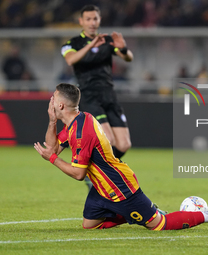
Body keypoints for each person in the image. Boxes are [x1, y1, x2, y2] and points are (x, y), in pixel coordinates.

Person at [34, 83, 208, 231]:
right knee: (89, 226)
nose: (50, 100)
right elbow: (52, 146)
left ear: (61, 105)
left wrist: (52, 159)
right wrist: (52, 121)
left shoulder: (81, 131)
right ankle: (135, 214)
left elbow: (78, 173)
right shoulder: (77, 121)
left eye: (53, 97)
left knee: (159, 224)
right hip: (101, 188)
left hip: (120, 187)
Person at [61, 5, 133, 189]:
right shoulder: (72, 43)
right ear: (81, 21)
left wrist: (123, 49)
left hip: (109, 95)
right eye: (88, 19)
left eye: (95, 19)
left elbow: (128, 58)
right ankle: (100, 178)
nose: (92, 23)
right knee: (108, 139)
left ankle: (93, 170)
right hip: (89, 96)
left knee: (124, 145)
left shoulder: (108, 41)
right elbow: (71, 59)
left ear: (99, 20)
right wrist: (91, 45)